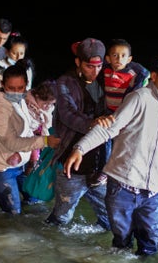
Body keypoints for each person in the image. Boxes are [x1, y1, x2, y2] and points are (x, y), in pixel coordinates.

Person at [64, 52, 158, 256]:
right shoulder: (138, 98)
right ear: (153, 76)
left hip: (153, 192)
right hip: (122, 188)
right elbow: (110, 128)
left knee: (150, 246)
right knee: (122, 244)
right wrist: (80, 148)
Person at [44, 37, 111, 230]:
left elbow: (140, 72)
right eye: (90, 66)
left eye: (99, 66)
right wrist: (94, 124)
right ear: (78, 62)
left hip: (100, 164)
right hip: (71, 164)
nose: (95, 71)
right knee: (61, 218)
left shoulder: (105, 80)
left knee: (109, 218)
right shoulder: (65, 83)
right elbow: (67, 115)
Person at [0, 63, 60, 214]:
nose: (17, 93)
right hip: (1, 167)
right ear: (3, 85)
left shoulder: (21, 99)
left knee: (35, 202)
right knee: (13, 214)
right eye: (11, 88)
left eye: (21, 88)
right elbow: (11, 142)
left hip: (19, 163)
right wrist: (45, 141)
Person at [87, 38, 150, 187]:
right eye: (115, 55)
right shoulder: (104, 70)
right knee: (105, 141)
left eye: (123, 56)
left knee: (123, 143)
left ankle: (123, 173)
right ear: (108, 58)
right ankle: (103, 171)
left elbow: (145, 76)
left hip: (125, 115)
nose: (119, 59)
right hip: (109, 111)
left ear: (129, 59)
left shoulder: (134, 73)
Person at [23, 80, 56, 175]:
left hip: (38, 134)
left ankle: (28, 180)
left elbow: (47, 126)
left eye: (51, 104)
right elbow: (26, 126)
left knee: (34, 160)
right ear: (37, 96)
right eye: (45, 103)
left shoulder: (48, 109)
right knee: (32, 159)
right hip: (26, 135)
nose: (48, 106)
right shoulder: (26, 104)